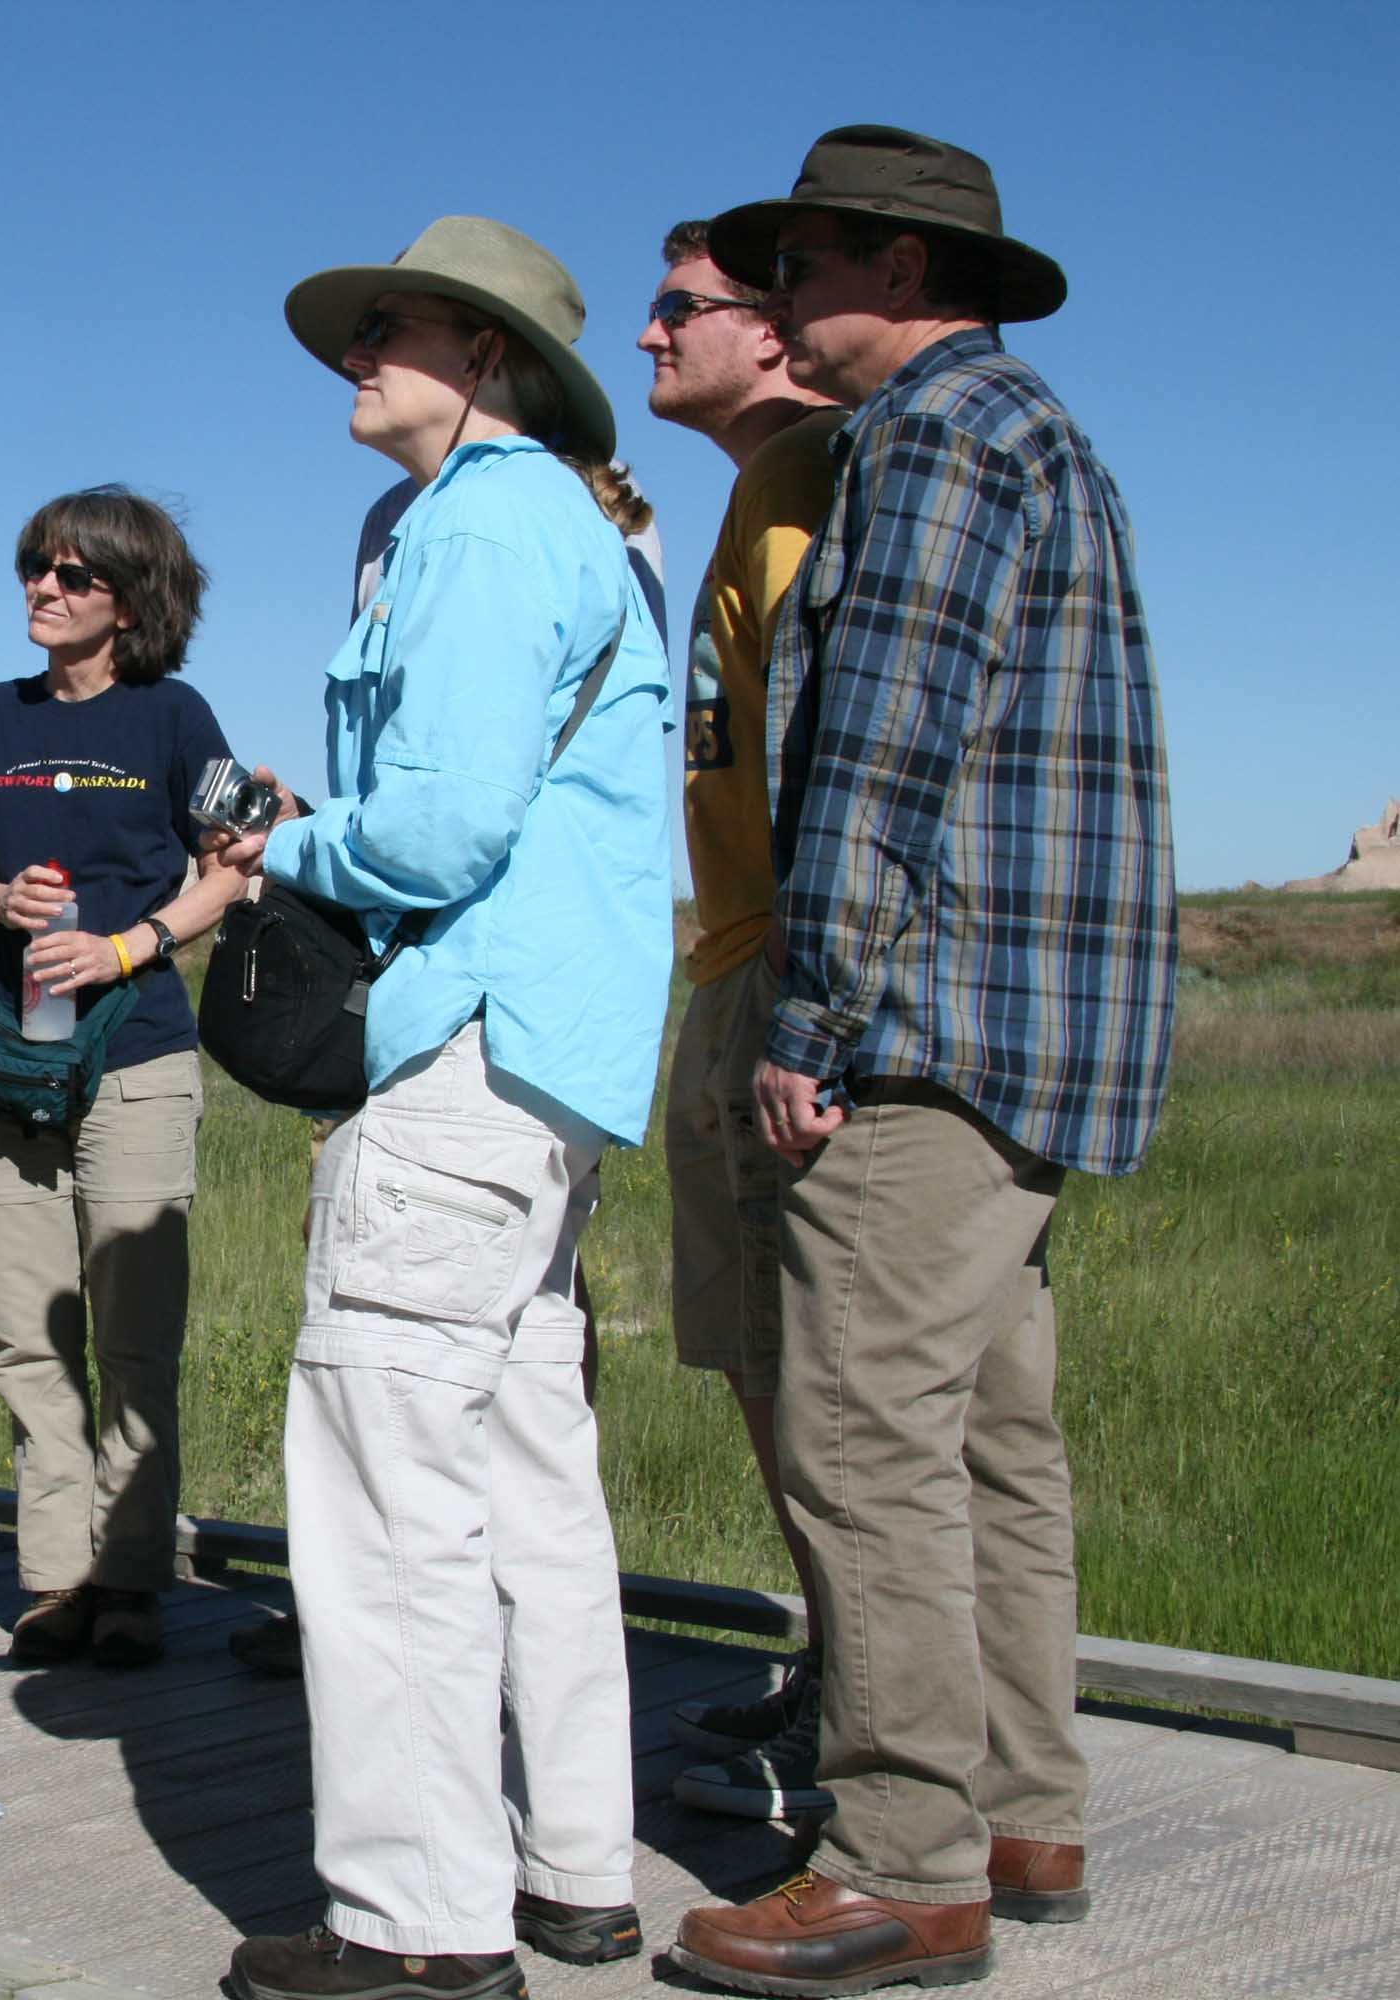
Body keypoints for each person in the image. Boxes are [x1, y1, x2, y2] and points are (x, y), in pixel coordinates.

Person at [670, 128, 1177, 1996]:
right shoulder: (1036, 431)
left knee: (858, 1436)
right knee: (984, 1439)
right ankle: (1021, 1810)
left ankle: (900, 1859)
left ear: (896, 260)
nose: (776, 299)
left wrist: (808, 1023)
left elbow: (878, 750)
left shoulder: (927, 443)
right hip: (1028, 1032)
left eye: (794, 263)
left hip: (920, 1028)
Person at [216, 216, 673, 2000]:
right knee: (521, 1467)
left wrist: (280, 845)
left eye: (393, 326)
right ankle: (571, 1873)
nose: (360, 351)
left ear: (483, 359)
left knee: (385, 1477)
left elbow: (437, 827)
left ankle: (417, 1931)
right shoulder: (567, 529)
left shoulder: (477, 523)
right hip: (547, 1061)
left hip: (462, 1052)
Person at [0, 487, 243, 1669]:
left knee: (136, 1329)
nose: (43, 591)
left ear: (131, 598)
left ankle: (134, 1577)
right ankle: (54, 1578)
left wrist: (124, 947)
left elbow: (228, 868)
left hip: (139, 1050)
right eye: (35, 570)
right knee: (26, 1332)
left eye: (72, 575)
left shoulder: (175, 716)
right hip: (9, 1054)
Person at [633, 221, 846, 1822]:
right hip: (726, 959)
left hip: (781, 967)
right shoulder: (746, 493)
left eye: (679, 308)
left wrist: (808, 999)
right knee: (755, 1357)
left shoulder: (820, 476)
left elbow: (844, 751)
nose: (652, 335)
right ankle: (845, 1672)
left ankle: (866, 1709)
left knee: (810, 1362)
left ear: (773, 332)